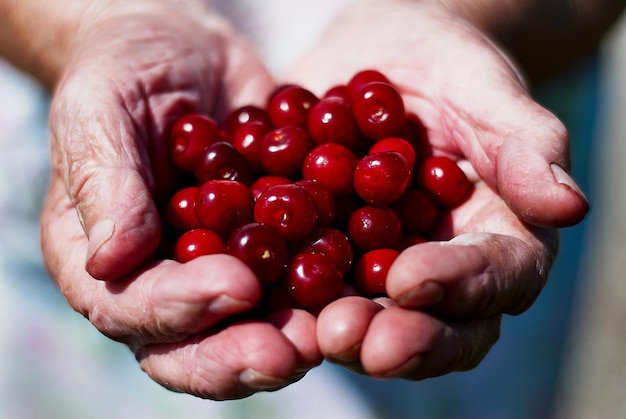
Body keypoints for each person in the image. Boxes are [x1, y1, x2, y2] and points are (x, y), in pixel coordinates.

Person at [1, 0, 617, 403]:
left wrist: (466, 14)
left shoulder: (378, 182)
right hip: (77, 166)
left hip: (477, 123)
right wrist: (93, 21)